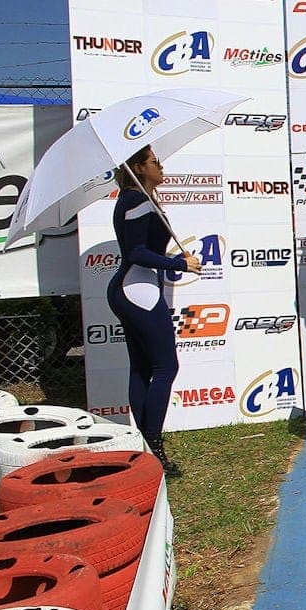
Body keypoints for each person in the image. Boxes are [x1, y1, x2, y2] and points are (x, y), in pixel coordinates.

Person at [106, 144, 202, 477]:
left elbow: (144, 249)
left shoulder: (139, 199)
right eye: (154, 161)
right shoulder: (135, 200)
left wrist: (174, 259)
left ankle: (147, 445)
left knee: (143, 367)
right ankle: (154, 448)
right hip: (136, 290)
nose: (161, 166)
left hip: (136, 288)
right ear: (138, 168)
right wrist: (179, 264)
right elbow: (135, 253)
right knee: (165, 367)